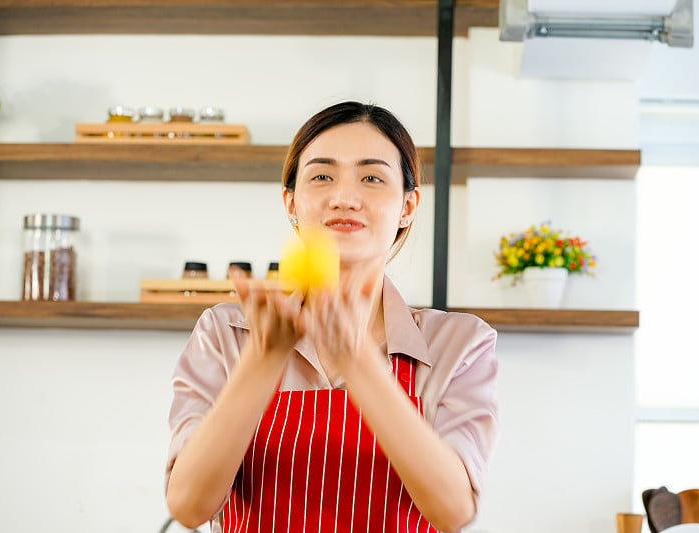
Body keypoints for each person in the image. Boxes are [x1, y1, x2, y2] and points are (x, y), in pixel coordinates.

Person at [164, 101, 499, 533]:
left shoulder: (459, 343)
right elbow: (189, 507)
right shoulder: (227, 334)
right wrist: (262, 361)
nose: (344, 197)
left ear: (408, 206)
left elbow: (453, 511)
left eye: (372, 177)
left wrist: (357, 361)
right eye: (322, 176)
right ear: (291, 202)